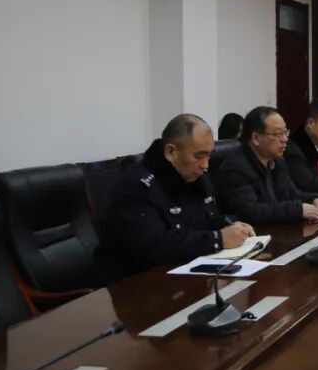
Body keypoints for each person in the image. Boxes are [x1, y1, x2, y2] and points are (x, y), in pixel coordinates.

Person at [100, 114, 255, 275]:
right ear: (171, 152)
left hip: (187, 270)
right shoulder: (138, 186)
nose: (205, 165)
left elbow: (208, 218)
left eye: (208, 155)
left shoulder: (195, 176)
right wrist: (217, 239)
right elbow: (154, 246)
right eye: (199, 156)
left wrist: (231, 225)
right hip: (137, 280)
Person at [215, 106, 318, 225]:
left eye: (285, 132)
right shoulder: (236, 168)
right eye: (278, 134)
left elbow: (292, 194)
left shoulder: (277, 161)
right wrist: (297, 210)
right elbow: (251, 212)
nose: (285, 139)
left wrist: (313, 199)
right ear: (256, 138)